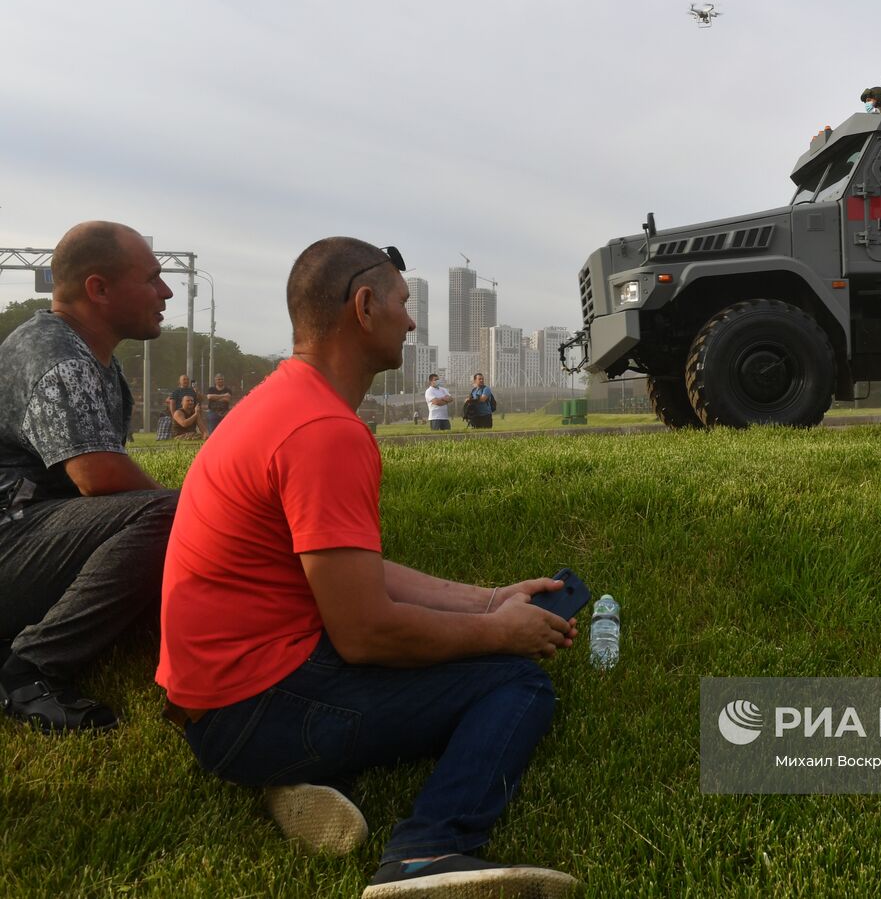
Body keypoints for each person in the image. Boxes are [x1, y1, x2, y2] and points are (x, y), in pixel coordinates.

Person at [156, 237, 579, 898]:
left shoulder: (279, 402)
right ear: (364, 305)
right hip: (249, 709)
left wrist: (488, 600)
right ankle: (428, 851)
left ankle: (297, 776)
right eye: (403, 304)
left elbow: (358, 572)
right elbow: (367, 634)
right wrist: (501, 635)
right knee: (517, 684)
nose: (411, 322)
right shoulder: (324, 430)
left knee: (464, 652)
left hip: (214, 703)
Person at [0, 220, 178, 732]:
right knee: (173, 516)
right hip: (13, 538)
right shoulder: (59, 359)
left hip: (32, 535)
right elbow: (99, 478)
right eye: (152, 278)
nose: (165, 292)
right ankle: (29, 669)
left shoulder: (88, 356)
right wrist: (208, 517)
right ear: (98, 289)